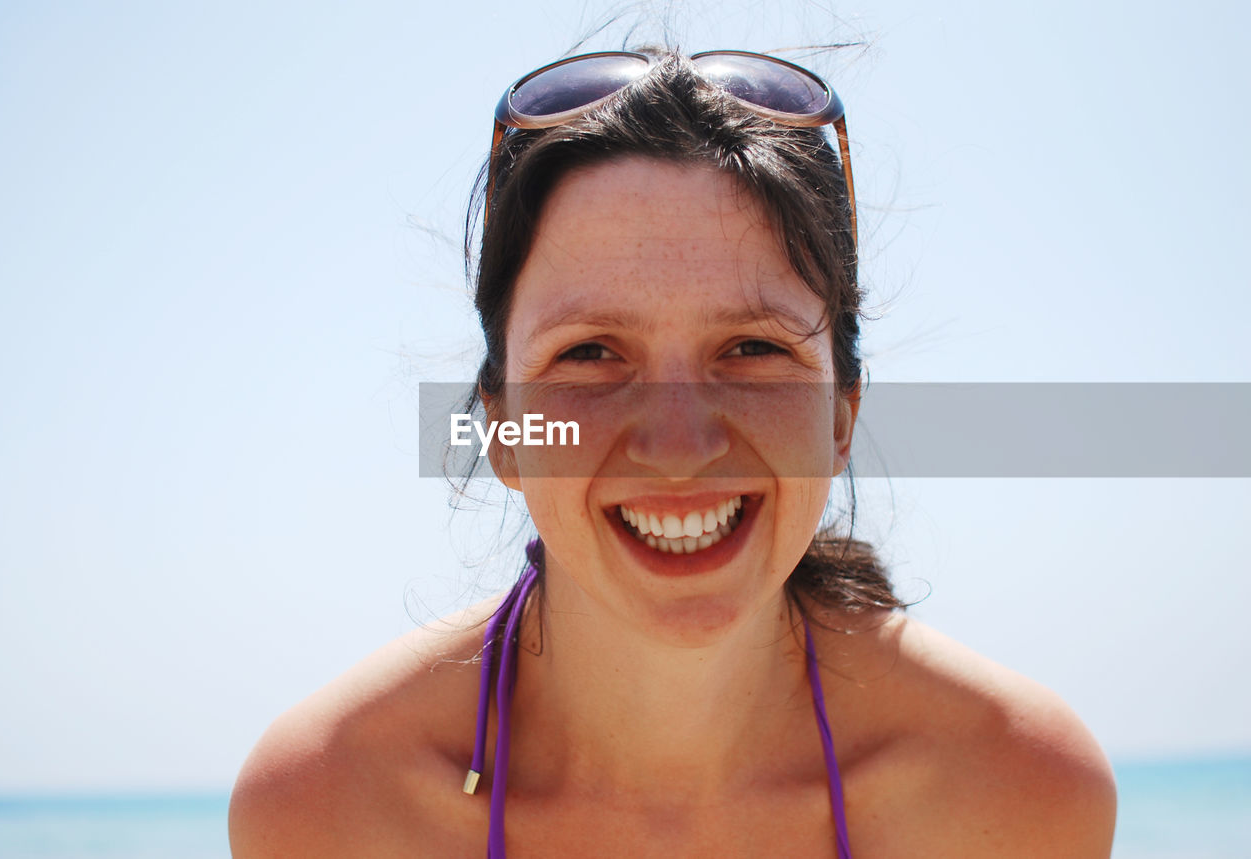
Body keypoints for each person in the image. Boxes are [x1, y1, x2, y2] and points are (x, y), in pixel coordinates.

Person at [229, 48, 1116, 856]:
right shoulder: (328, 808)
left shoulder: (1015, 792)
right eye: (590, 353)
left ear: (842, 413)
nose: (678, 448)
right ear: (502, 427)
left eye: (753, 348)